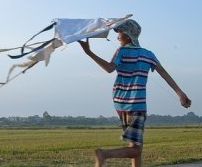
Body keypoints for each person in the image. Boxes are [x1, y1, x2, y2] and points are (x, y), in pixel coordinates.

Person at [79, 19, 191, 167]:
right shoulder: (148, 54)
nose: (117, 36)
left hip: (120, 103)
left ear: (127, 34)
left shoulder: (122, 51)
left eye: (119, 32)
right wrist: (180, 93)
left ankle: (106, 155)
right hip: (136, 104)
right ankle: (104, 154)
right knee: (136, 150)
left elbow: (109, 68)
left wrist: (89, 53)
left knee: (136, 146)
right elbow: (163, 73)